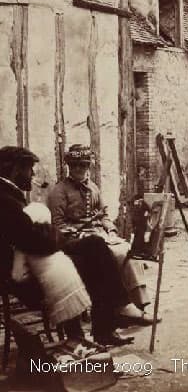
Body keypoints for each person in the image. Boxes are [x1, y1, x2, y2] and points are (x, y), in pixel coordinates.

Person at [0, 146, 97, 356]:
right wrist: (55, 236)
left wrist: (47, 234)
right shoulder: (5, 200)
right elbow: (34, 241)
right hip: (20, 278)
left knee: (89, 249)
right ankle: (83, 333)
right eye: (29, 169)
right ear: (15, 170)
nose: (33, 174)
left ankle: (79, 332)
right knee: (83, 261)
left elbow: (32, 237)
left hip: (25, 262)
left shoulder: (9, 195)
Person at [48, 145, 152, 330]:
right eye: (75, 165)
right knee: (116, 254)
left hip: (99, 234)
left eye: (83, 165)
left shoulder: (93, 187)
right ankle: (119, 307)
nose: (79, 169)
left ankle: (139, 305)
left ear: (88, 166)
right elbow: (57, 224)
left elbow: (103, 214)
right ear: (69, 166)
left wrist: (110, 230)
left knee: (128, 251)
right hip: (77, 239)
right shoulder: (59, 191)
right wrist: (76, 232)